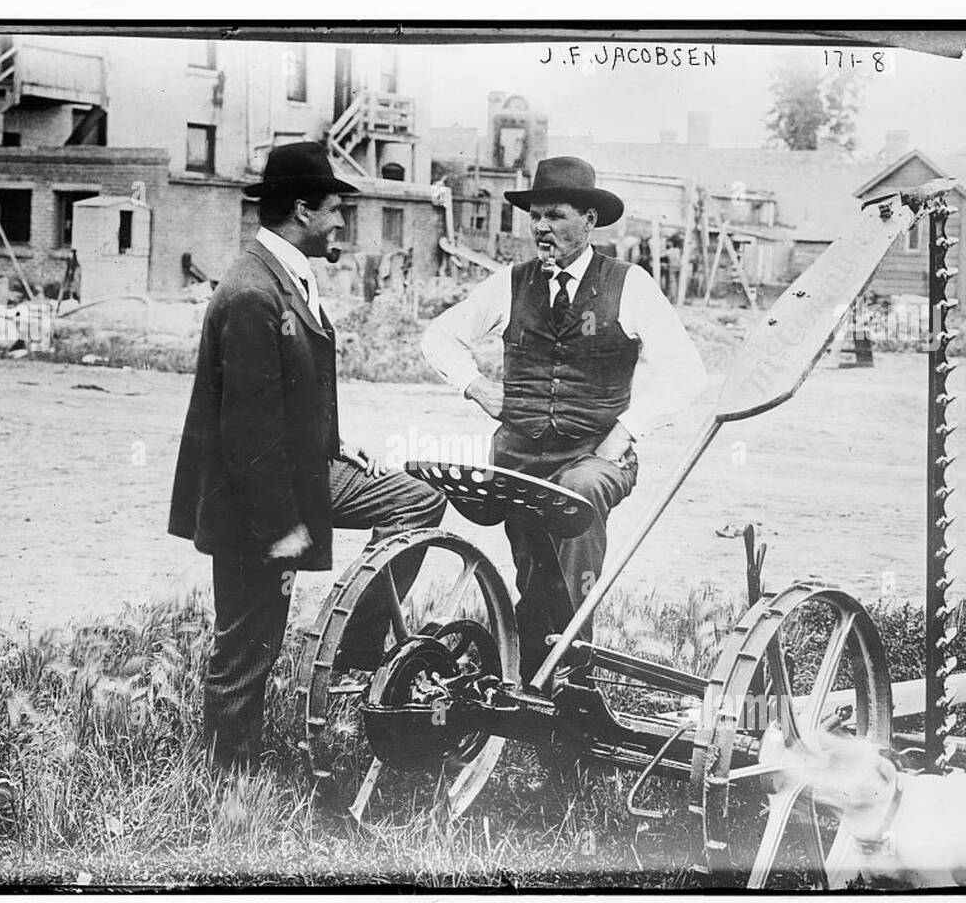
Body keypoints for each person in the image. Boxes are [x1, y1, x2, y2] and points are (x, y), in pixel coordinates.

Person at [169, 142, 446, 773]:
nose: (341, 221)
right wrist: (281, 529)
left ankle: (354, 645)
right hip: (254, 497)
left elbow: (293, 384)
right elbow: (246, 429)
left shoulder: (286, 275)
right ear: (301, 210)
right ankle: (230, 780)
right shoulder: (251, 291)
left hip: (296, 469)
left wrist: (333, 441)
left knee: (417, 499)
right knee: (248, 639)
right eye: (335, 209)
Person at [421, 156, 707, 689]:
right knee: (533, 570)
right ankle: (529, 677)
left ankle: (573, 675)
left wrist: (624, 433)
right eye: (535, 217)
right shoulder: (510, 284)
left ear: (589, 221)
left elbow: (686, 373)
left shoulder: (630, 285)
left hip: (594, 458)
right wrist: (478, 387)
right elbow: (438, 336)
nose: (541, 228)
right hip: (519, 456)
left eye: (554, 216)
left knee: (577, 500)